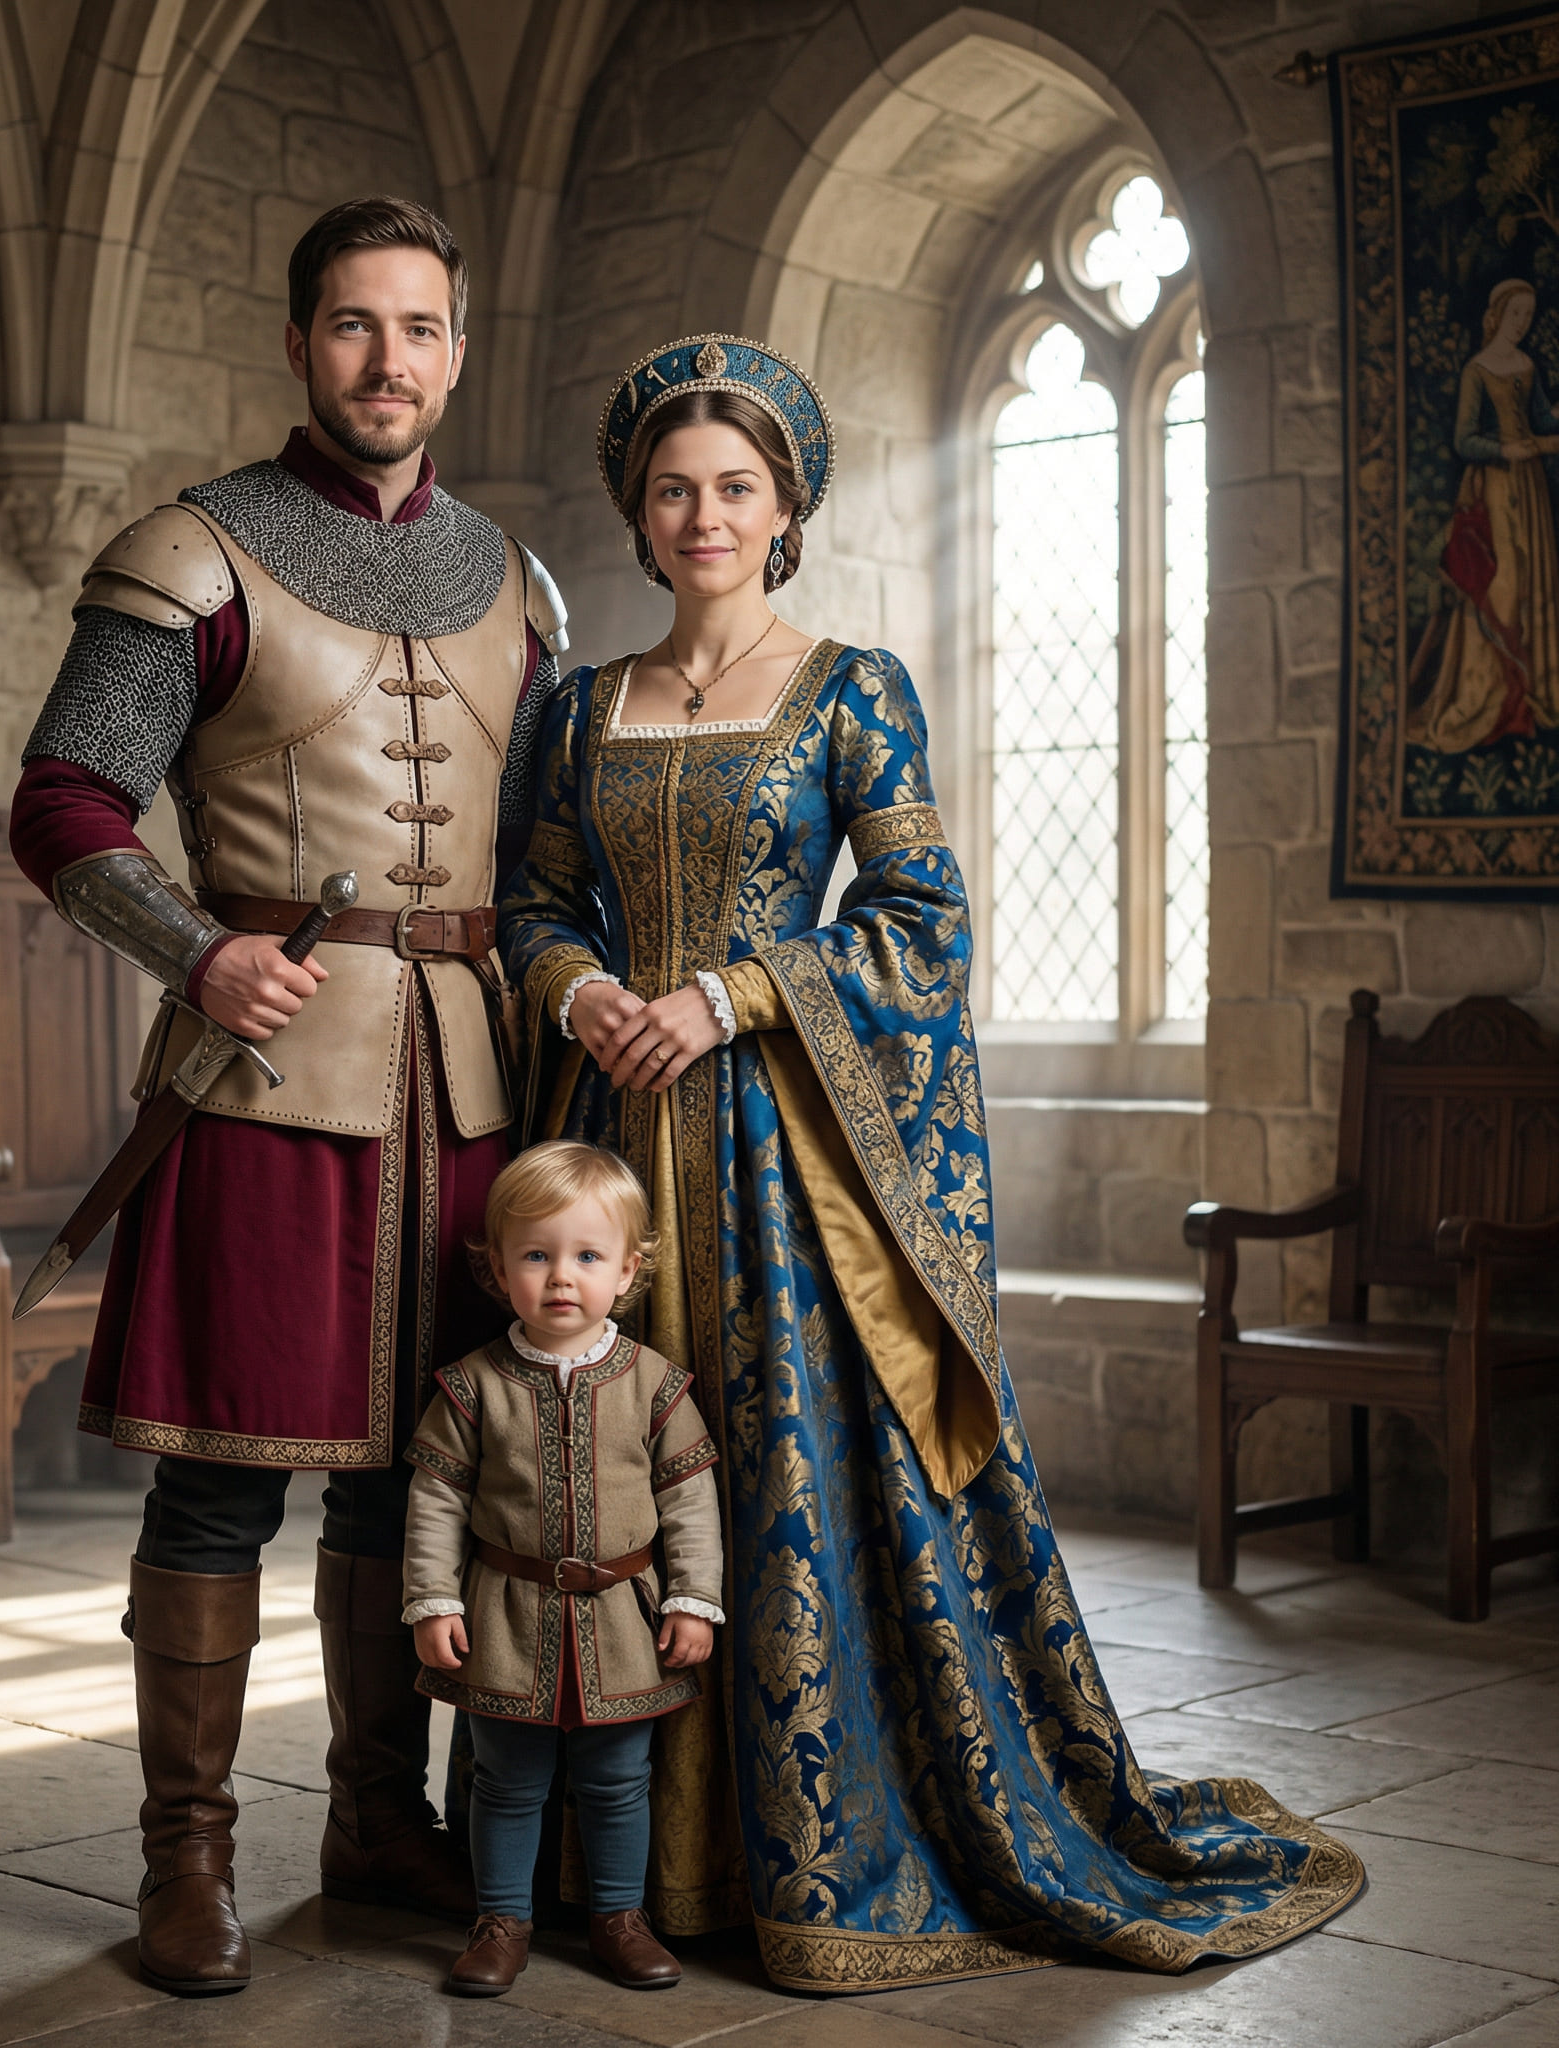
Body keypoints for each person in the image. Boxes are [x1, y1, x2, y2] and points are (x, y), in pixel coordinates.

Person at [499, 334, 1366, 1993]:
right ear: (635, 505)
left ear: (785, 507)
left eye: (733, 489)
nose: (702, 515)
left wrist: (730, 992)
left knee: (776, 1482)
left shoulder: (849, 689)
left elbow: (921, 928)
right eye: (673, 489)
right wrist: (588, 988)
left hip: (783, 1159)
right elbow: (530, 902)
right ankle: (613, 1868)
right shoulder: (574, 705)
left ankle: (807, 1858)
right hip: (612, 1148)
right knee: (604, 1479)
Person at [9, 195, 568, 1997]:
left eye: (416, 328)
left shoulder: (520, 585)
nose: (384, 360)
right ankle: (187, 1859)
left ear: (456, 352)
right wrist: (193, 952)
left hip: (468, 1087)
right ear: (298, 342)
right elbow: (67, 804)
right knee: (222, 1487)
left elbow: (551, 841)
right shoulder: (188, 553)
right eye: (349, 325)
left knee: (407, 1478)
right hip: (266, 1078)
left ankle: (374, 1818)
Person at [401, 1141, 723, 1997]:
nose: (559, 1278)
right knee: (506, 1780)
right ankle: (502, 1922)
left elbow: (690, 1503)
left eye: (586, 1256)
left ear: (627, 1271)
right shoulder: (471, 1387)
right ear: (498, 1268)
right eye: (535, 1256)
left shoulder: (655, 1385)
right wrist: (432, 1601)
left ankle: (619, 1917)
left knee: (618, 1782)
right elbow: (435, 1501)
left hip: (624, 1622)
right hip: (506, 1617)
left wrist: (693, 1599)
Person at [1412, 275, 1559, 752]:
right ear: (1498, 314)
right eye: (1516, 315)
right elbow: (1463, 439)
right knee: (1504, 584)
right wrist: (1504, 450)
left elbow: (1542, 421)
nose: (1522, 324)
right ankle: (1489, 695)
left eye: (1528, 317)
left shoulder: (1527, 366)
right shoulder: (1478, 370)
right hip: (1495, 486)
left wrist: (1547, 428)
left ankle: (1530, 693)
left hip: (1529, 485)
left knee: (1534, 581)